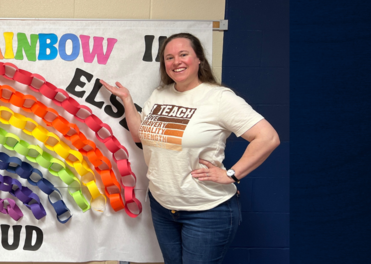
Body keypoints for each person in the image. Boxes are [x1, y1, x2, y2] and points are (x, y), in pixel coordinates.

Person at [101, 33, 280, 264]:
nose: (176, 62)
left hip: (206, 211)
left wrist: (231, 174)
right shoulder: (160, 94)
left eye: (183, 54)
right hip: (163, 207)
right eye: (169, 57)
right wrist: (127, 99)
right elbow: (139, 136)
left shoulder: (218, 98)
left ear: (199, 59)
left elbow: (268, 137)